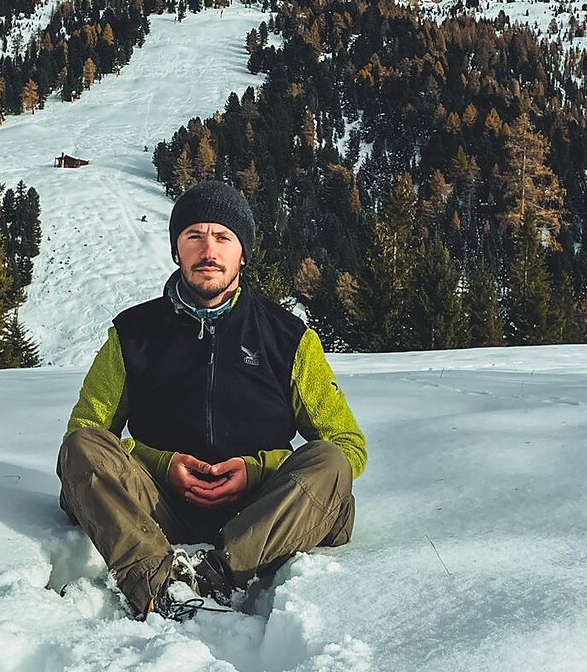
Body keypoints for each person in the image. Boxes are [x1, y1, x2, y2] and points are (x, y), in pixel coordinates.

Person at [58, 180, 367, 619]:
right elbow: (86, 433)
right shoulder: (133, 334)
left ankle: (217, 575)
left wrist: (256, 470)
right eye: (194, 236)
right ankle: (158, 582)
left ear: (243, 253)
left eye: (223, 237)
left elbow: (349, 446)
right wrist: (162, 464)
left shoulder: (287, 338)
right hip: (159, 507)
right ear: (176, 250)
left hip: (262, 510)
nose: (209, 250)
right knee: (81, 450)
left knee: (331, 463)